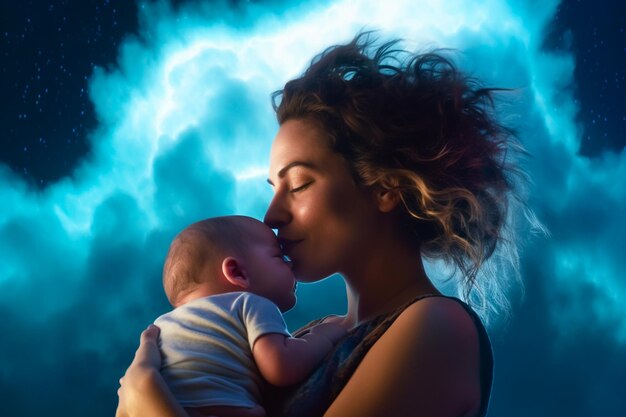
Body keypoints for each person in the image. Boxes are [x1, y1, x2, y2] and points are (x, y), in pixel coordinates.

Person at [117, 32, 527, 417]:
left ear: (384, 187)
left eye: (298, 184)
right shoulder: (308, 337)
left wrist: (149, 400)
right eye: (273, 187)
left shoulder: (438, 329)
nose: (271, 216)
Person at [150, 216, 347, 417]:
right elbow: (281, 366)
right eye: (279, 257)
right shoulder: (247, 303)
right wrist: (324, 334)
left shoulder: (159, 327)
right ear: (237, 272)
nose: (290, 265)